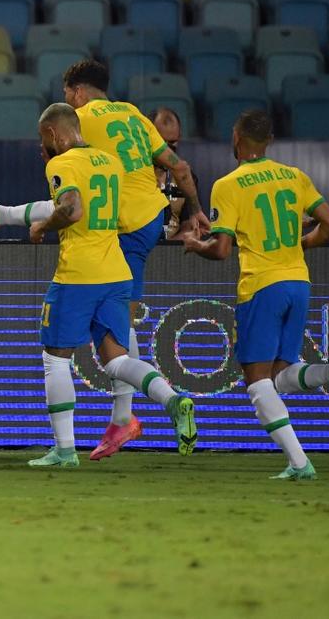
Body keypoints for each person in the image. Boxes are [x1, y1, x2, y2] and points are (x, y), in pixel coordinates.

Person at [0, 61, 207, 459]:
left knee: (58, 357)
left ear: (77, 94)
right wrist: (194, 210)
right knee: (117, 350)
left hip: (91, 258)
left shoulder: (76, 127)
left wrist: (35, 224)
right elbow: (179, 167)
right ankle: (160, 404)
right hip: (142, 228)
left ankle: (83, 439)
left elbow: (69, 207)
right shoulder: (131, 121)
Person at [183, 109, 329, 480]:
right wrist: (301, 244)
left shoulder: (228, 185)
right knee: (281, 376)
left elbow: (221, 249)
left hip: (261, 286)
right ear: (269, 142)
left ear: (237, 138)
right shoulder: (294, 176)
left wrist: (195, 244)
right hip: (299, 282)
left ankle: (299, 463)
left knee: (257, 381)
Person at [27, 103, 196, 468]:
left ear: (53, 133)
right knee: (117, 360)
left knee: (55, 358)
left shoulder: (60, 164)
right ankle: (172, 400)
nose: (44, 146)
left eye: (44, 138)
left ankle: (64, 450)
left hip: (78, 274)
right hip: (116, 272)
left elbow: (71, 209)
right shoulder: (110, 162)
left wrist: (43, 227)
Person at [147, 106, 200, 240]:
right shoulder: (133, 174)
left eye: (171, 143)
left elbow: (190, 227)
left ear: (179, 137)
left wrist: (166, 248)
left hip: (173, 250)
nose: (166, 151)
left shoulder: (187, 179)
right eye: (160, 143)